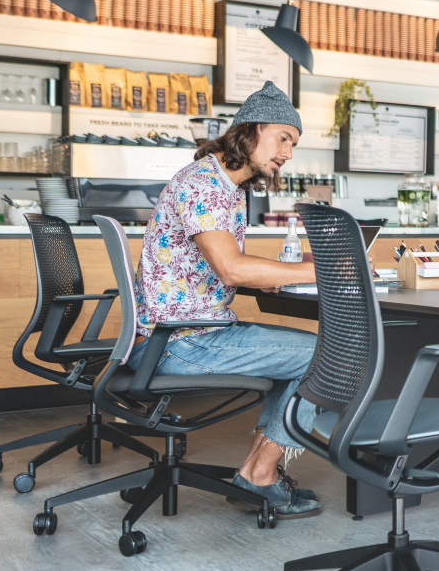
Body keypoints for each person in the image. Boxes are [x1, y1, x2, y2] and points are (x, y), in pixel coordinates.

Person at [129, 81, 322, 519]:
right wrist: (323, 270)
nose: (288, 153)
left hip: (185, 331)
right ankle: (258, 477)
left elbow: (220, 267)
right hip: (181, 340)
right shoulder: (203, 185)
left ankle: (256, 474)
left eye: (293, 143)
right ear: (250, 132)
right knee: (326, 355)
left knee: (303, 355)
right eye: (284, 138)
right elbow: (231, 268)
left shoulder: (225, 187)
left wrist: (268, 278)